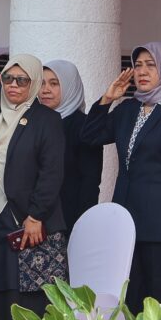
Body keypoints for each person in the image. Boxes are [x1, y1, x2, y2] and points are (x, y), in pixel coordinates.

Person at [81, 42, 161, 313]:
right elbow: (90, 137)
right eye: (138, 65)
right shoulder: (128, 109)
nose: (142, 71)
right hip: (127, 220)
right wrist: (106, 100)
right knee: (129, 295)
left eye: (151, 65)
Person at [0, 54, 66, 320]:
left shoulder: (47, 120)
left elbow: (52, 172)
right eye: (8, 79)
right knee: (1, 296)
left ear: (32, 84)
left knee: (31, 300)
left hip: (31, 223)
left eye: (22, 80)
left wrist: (37, 215)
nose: (14, 86)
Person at [40, 60, 103, 232]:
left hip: (69, 219)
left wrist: (82, 224)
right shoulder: (36, 123)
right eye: (42, 83)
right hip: (34, 220)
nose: (45, 90)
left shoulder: (84, 127)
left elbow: (90, 182)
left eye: (54, 83)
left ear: (70, 86)